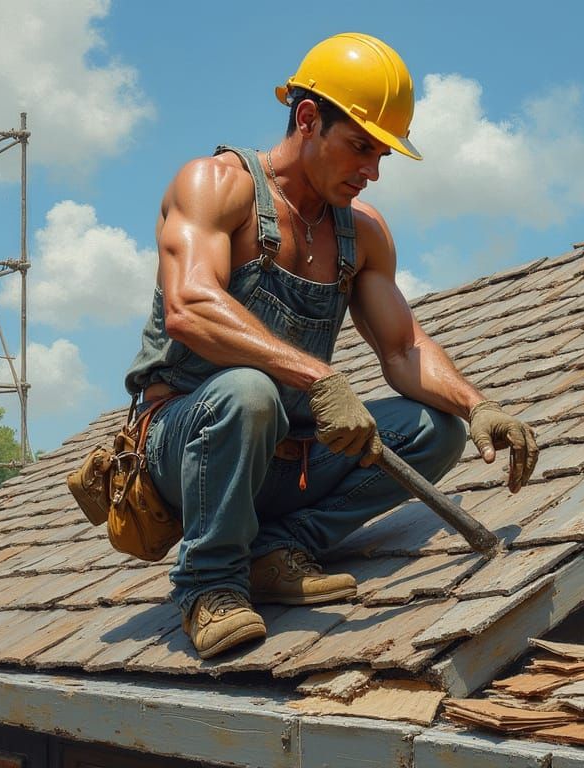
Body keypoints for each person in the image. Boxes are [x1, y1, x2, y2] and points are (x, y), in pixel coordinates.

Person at [124, 32, 539, 660]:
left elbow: (402, 350)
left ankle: (276, 547)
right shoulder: (217, 186)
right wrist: (318, 378)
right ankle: (209, 584)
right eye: (360, 148)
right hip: (187, 448)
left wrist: (476, 404)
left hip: (285, 459)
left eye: (382, 157)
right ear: (309, 118)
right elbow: (189, 306)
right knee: (248, 391)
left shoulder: (363, 234)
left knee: (435, 430)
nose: (371, 172)